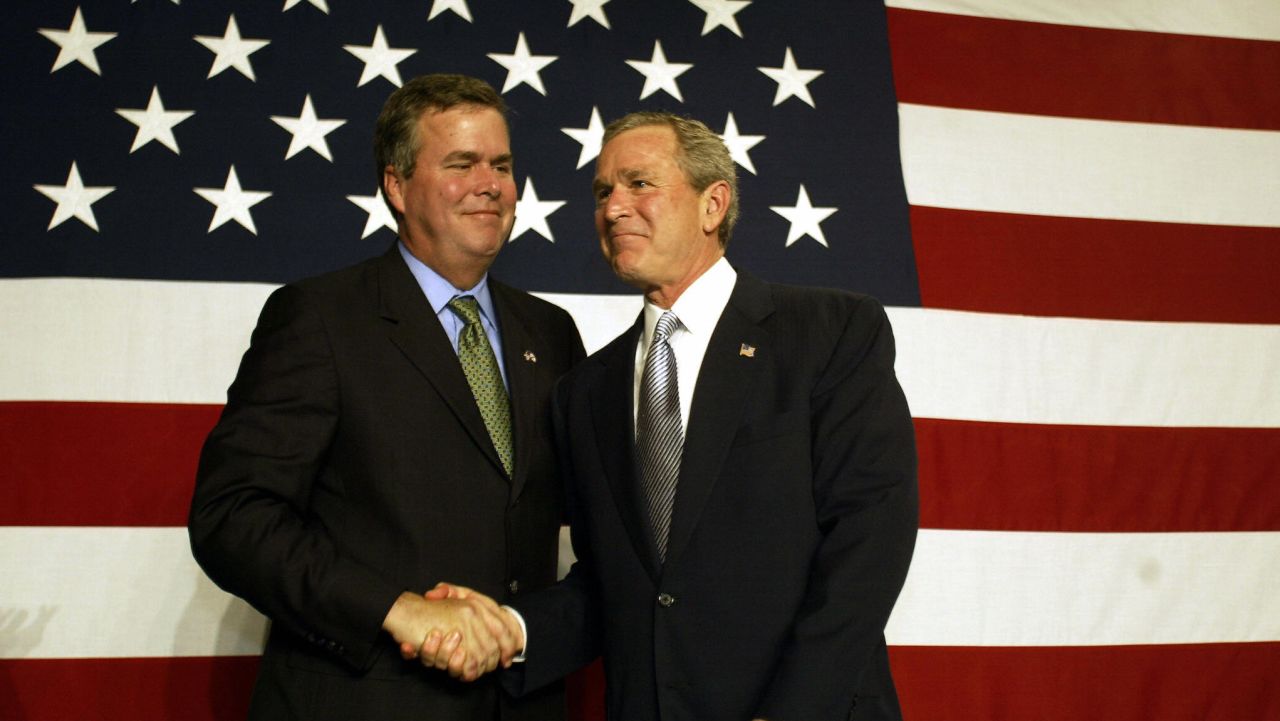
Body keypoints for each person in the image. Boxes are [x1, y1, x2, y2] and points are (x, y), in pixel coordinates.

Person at [431, 111, 919, 720]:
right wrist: (510, 630)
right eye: (604, 191)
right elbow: (616, 584)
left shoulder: (829, 333)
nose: (613, 208)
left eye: (639, 184)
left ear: (713, 205)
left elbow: (871, 539)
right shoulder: (584, 392)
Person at [188, 73, 584, 721]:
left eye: (502, 164)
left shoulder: (551, 332)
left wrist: (519, 627)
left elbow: (593, 525)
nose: (491, 184)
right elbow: (233, 516)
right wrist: (396, 607)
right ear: (397, 186)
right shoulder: (319, 318)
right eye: (462, 163)